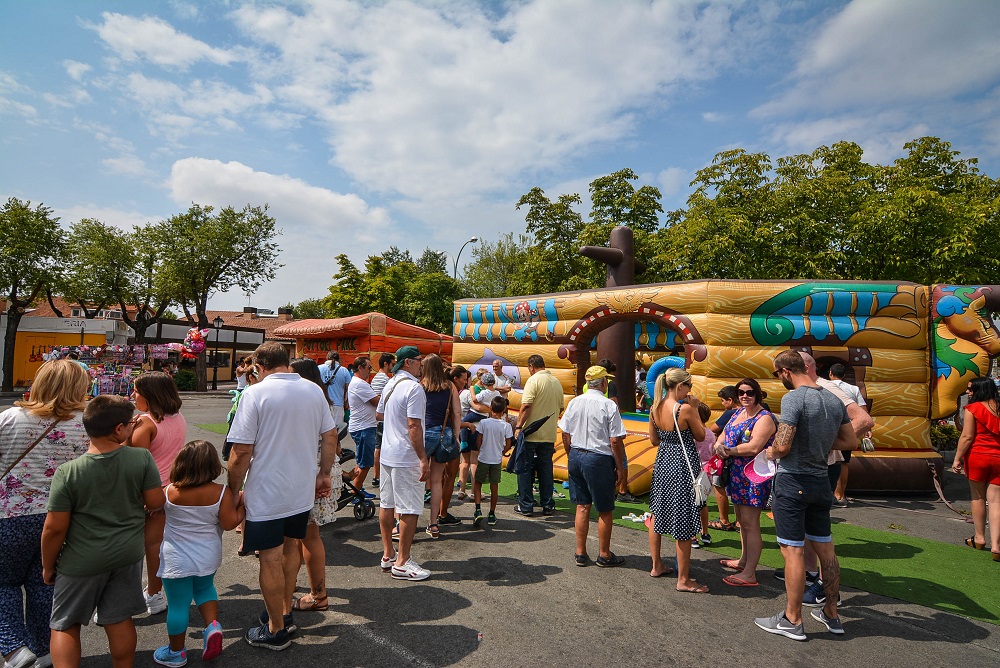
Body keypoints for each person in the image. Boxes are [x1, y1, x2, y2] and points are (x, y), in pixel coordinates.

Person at [227, 343, 337, 651]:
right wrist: (323, 473)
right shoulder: (313, 390)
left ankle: (275, 629)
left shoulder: (255, 393)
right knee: (290, 551)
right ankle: (284, 612)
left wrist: (232, 491)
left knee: (271, 558)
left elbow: (241, 451)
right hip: (300, 491)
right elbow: (330, 435)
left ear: (259, 367)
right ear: (285, 362)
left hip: (268, 492)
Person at [41, 395, 165, 668]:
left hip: (81, 559)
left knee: (65, 623)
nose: (134, 427)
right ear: (118, 429)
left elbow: (54, 528)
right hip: (126, 554)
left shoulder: (68, 472)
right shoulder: (140, 458)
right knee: (119, 618)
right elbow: (156, 502)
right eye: (132, 423)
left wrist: (48, 566)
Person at [755, 350, 855, 640]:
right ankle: (832, 614)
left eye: (777, 374)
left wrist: (770, 451)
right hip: (821, 481)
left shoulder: (794, 398)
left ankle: (792, 618)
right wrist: (819, 437)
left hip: (793, 480)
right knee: (827, 551)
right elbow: (850, 440)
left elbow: (783, 447)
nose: (778, 379)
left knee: (793, 551)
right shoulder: (833, 399)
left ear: (786, 371)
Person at [0, 360, 90, 668]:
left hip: (7, 514)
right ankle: (42, 650)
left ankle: (13, 646)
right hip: (61, 517)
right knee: (44, 583)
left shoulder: (9, 418)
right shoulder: (86, 423)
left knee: (3, 583)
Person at [152, 440, 244, 667]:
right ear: (212, 465)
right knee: (205, 589)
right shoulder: (221, 492)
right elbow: (230, 523)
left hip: (177, 559)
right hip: (208, 555)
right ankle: (212, 626)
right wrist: (241, 506)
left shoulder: (170, 491)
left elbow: (151, 507)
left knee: (178, 604)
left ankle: (176, 652)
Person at [127, 372, 186, 616]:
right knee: (158, 545)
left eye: (136, 392)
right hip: (170, 488)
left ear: (149, 396)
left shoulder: (145, 423)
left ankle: (147, 595)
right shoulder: (178, 417)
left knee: (140, 547)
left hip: (146, 493)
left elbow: (134, 464)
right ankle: (155, 592)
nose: (132, 396)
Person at [287, 358, 343, 613]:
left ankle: (318, 595)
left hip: (316, 474)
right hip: (321, 471)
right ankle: (304, 587)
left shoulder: (309, 400)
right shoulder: (320, 399)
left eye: (291, 373)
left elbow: (329, 439)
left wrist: (323, 473)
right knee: (303, 536)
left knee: (309, 536)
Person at [647, 368, 708, 591]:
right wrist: (696, 408)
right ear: (680, 386)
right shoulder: (685, 409)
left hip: (663, 461)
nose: (690, 390)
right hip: (682, 464)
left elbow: (654, 440)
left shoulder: (655, 407)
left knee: (657, 512)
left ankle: (656, 565)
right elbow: (701, 436)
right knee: (683, 518)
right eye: (689, 386)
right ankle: (683, 580)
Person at [559, 366, 627, 568]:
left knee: (582, 505)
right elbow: (615, 440)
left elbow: (565, 433)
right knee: (605, 509)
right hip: (598, 458)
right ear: (604, 383)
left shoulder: (575, 402)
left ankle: (580, 552)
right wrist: (620, 467)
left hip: (577, 454)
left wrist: (572, 454)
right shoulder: (608, 405)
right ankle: (604, 554)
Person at [713, 377, 776, 587]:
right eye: (741, 393)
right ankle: (743, 561)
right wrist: (718, 446)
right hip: (736, 473)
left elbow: (754, 447)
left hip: (753, 476)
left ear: (757, 393)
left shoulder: (765, 418)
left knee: (751, 523)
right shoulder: (738, 413)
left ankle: (750, 573)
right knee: (741, 520)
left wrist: (727, 450)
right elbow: (721, 435)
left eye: (749, 392)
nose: (745, 396)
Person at [375, 346, 430, 581]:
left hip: (388, 452)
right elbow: (413, 425)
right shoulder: (413, 388)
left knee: (387, 505)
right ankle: (402, 561)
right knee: (409, 508)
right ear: (408, 362)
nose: (421, 365)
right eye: (419, 361)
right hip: (405, 455)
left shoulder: (391, 384)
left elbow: (379, 414)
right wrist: (423, 457)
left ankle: (388, 554)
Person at [952, 377, 1000, 561]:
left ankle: (979, 538)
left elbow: (967, 437)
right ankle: (996, 546)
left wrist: (957, 459)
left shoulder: (973, 409)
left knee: (978, 497)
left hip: (978, 457)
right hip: (998, 458)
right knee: (996, 501)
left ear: (980, 390)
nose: (968, 392)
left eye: (971, 389)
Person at [512, 355, 565, 517]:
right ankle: (548, 504)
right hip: (549, 434)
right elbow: (561, 408)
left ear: (531, 366)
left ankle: (526, 505)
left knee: (525, 469)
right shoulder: (556, 382)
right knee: (545, 470)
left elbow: (526, 405)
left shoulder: (534, 380)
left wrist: (519, 426)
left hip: (531, 433)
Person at [420, 354, 461, 539]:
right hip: (444, 434)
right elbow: (457, 412)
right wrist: (457, 435)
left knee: (415, 478)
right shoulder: (450, 386)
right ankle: (434, 523)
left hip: (423, 434)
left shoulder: (421, 386)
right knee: (437, 480)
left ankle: (404, 521)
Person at [827, 363, 868, 506]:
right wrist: (866, 430)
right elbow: (862, 410)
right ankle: (840, 495)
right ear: (844, 375)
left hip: (828, 428)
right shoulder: (853, 389)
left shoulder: (824, 387)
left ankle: (826, 494)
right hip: (848, 429)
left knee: (828, 461)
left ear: (830, 373)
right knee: (843, 461)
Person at [472, 397, 513, 528]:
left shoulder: (484, 423)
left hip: (484, 457)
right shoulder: (506, 425)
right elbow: (508, 443)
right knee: (494, 486)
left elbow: (479, 440)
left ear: (491, 407)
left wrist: (481, 450)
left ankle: (478, 509)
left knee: (478, 483)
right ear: (504, 410)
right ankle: (491, 513)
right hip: (496, 459)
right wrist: (501, 452)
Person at [437, 366, 469, 525]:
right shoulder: (452, 391)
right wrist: (465, 426)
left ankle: (436, 514)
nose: (465, 382)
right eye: (463, 379)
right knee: (450, 477)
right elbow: (455, 417)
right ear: (455, 379)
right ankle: (442, 514)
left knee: (439, 477)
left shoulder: (436, 388)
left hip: (436, 435)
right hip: (449, 436)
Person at [459, 372, 500, 496]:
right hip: (478, 427)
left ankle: (461, 490)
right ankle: (473, 492)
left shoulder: (473, 392)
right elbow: (481, 408)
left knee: (465, 461)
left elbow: (475, 403)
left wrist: (472, 390)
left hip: (467, 427)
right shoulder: (496, 394)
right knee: (474, 461)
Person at [707, 385, 739, 531]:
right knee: (739, 489)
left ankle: (724, 520)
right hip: (744, 457)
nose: (722, 404)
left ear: (730, 400)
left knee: (719, 485)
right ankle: (740, 522)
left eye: (723, 401)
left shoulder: (731, 413)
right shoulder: (757, 411)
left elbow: (713, 429)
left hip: (726, 455)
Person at [347, 356, 378, 499]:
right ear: (360, 367)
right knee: (365, 463)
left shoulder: (358, 383)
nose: (370, 371)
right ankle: (355, 492)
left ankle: (357, 488)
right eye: (369, 368)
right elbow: (376, 401)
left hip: (363, 426)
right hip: (363, 427)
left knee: (362, 461)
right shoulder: (360, 384)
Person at [369, 353, 395, 488]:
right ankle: (382, 476)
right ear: (386, 364)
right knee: (382, 448)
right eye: (392, 364)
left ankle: (376, 476)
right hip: (384, 419)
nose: (393, 367)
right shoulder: (385, 380)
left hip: (378, 419)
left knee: (378, 448)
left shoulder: (375, 378)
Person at [319, 351, 352, 429]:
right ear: (338, 359)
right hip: (338, 404)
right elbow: (349, 389)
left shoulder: (319, 368)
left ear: (327, 358)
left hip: (322, 403)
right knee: (337, 432)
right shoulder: (344, 370)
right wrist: (347, 401)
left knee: (322, 431)